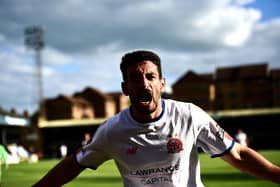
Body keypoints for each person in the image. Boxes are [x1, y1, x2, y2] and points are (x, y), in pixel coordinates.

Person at [32, 50, 280, 187]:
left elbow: (236, 153)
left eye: (150, 77)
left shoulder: (189, 115)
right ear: (125, 88)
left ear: (162, 83)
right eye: (135, 79)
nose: (144, 83)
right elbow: (72, 164)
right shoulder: (112, 131)